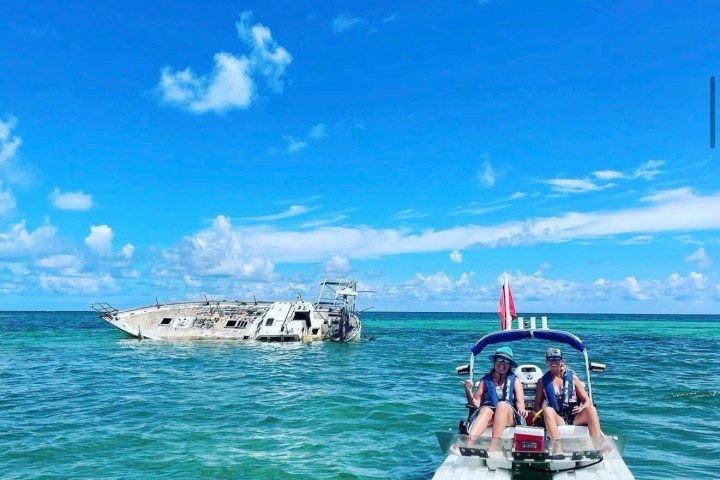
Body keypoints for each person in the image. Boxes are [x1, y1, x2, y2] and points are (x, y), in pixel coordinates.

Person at [533, 347, 602, 441]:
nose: (554, 362)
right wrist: (545, 413)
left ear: (562, 361)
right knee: (547, 410)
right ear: (547, 361)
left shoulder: (573, 378)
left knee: (591, 409)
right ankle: (558, 449)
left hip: (575, 417)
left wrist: (581, 408)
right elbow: (536, 406)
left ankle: (598, 447)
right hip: (558, 417)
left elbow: (587, 400)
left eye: (557, 359)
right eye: (551, 359)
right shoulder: (542, 382)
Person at [463, 346, 527, 440]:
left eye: (506, 361)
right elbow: (476, 403)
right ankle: (468, 443)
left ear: (509, 365)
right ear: (494, 361)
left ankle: (494, 446)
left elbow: (520, 404)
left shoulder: (516, 381)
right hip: (491, 416)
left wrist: (522, 410)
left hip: (509, 417)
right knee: (485, 410)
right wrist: (468, 390)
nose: (502, 363)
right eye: (500, 359)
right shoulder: (485, 380)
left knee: (502, 405)